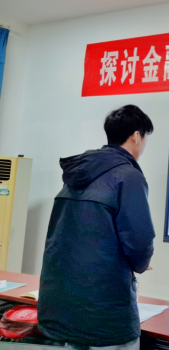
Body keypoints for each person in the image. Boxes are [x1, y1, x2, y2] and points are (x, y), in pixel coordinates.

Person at [38, 105, 156, 349]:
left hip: (65, 304)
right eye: (145, 138)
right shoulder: (129, 176)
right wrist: (141, 263)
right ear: (136, 136)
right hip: (105, 311)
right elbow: (139, 240)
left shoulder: (78, 171)